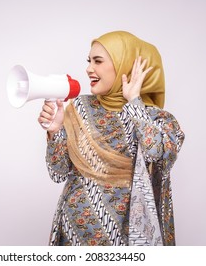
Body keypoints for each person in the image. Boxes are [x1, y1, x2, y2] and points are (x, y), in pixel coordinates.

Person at [38, 31, 185, 246]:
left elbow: (156, 154)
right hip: (72, 234)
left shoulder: (159, 120)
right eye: (89, 61)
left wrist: (134, 102)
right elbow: (58, 173)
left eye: (98, 61)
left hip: (125, 238)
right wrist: (55, 130)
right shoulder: (80, 108)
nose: (89, 69)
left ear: (128, 66)